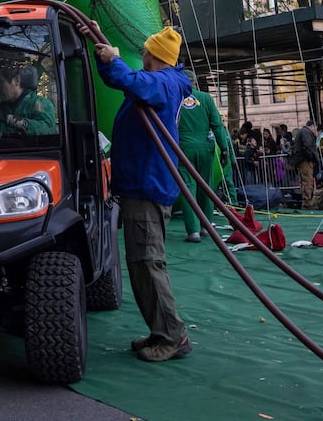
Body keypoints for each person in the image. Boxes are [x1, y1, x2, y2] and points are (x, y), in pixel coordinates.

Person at [94, 27, 194, 363]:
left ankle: (172, 336)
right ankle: (160, 329)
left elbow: (138, 84)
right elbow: (127, 83)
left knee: (148, 262)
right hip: (143, 183)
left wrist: (117, 62)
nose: (143, 57)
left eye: (146, 53)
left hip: (147, 185)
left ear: (153, 55)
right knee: (140, 263)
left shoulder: (164, 82)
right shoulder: (163, 82)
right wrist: (109, 63)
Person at [176, 81, 230, 241]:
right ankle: (206, 227)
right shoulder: (205, 98)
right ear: (194, 82)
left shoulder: (175, 97)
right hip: (205, 147)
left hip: (183, 147)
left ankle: (192, 231)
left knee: (188, 187)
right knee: (206, 186)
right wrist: (224, 147)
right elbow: (217, 125)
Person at [0, 64, 57, 137]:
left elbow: (48, 129)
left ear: (17, 80)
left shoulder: (39, 104)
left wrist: (23, 123)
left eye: (0, 82)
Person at [287, 118, 322, 209]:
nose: (315, 130)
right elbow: (308, 146)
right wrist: (311, 157)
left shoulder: (302, 132)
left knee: (305, 181)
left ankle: (306, 200)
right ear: (312, 126)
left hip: (302, 159)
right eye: (315, 128)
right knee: (307, 181)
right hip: (305, 160)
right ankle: (307, 202)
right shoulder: (306, 132)